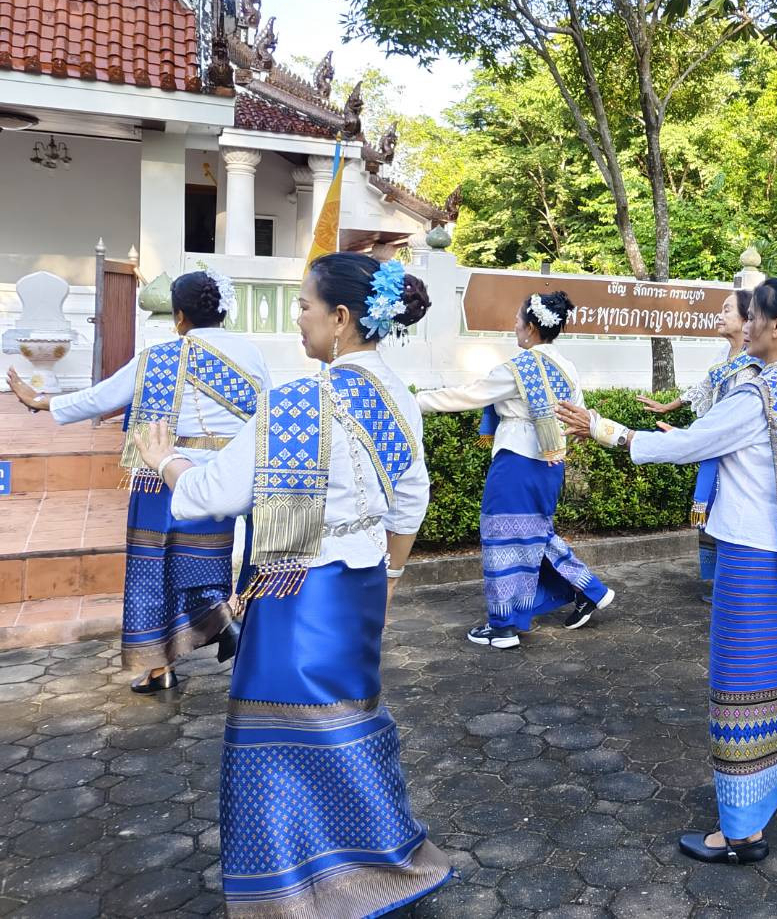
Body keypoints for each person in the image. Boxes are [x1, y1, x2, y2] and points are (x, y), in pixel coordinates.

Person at [134, 253, 452, 916]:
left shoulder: (298, 401)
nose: (297, 318)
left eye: (305, 306)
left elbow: (210, 494)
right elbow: (410, 501)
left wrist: (164, 460)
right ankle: (376, 860)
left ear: (341, 318)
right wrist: (391, 578)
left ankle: (291, 890)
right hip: (359, 587)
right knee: (349, 723)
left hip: (293, 590)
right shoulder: (398, 395)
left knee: (277, 743)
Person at [557, 277, 777, 865]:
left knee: (740, 684)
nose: (747, 324)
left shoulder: (757, 393)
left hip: (751, 559)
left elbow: (687, 446)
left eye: (754, 314)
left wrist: (604, 429)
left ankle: (740, 832)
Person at [6, 270, 268, 693]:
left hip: (167, 474)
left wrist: (40, 401)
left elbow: (102, 397)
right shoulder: (251, 354)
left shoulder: (161, 357)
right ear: (222, 311)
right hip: (227, 478)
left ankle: (162, 667)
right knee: (210, 563)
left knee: (154, 572)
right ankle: (224, 624)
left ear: (179, 316)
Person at [417, 291, 614, 649]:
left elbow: (467, 395)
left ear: (532, 327)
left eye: (518, 320)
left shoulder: (517, 370)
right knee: (535, 534)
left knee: (503, 540)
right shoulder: (566, 368)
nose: (514, 326)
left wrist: (413, 401)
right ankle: (589, 590)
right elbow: (578, 416)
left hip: (516, 464)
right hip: (550, 464)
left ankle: (504, 626)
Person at [637, 291, 761, 582]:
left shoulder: (753, 363)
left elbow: (734, 416)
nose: (720, 316)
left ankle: (730, 579)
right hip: (713, 443)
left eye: (727, 310)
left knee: (727, 508)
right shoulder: (724, 355)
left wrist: (693, 436)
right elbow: (704, 386)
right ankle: (713, 579)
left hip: (733, 448)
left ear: (747, 319)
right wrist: (669, 406)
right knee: (710, 507)